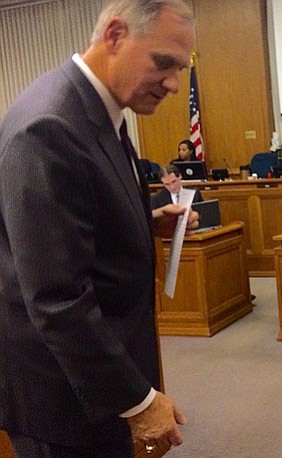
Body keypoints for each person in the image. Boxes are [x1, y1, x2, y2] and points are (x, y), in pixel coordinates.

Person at [0, 1, 199, 456]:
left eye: (180, 68)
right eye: (163, 63)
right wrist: (138, 401)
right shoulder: (49, 126)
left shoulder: (99, 107)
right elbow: (56, 297)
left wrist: (146, 222)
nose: (173, 83)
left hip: (92, 381)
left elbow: (70, 231)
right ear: (114, 36)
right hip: (65, 398)